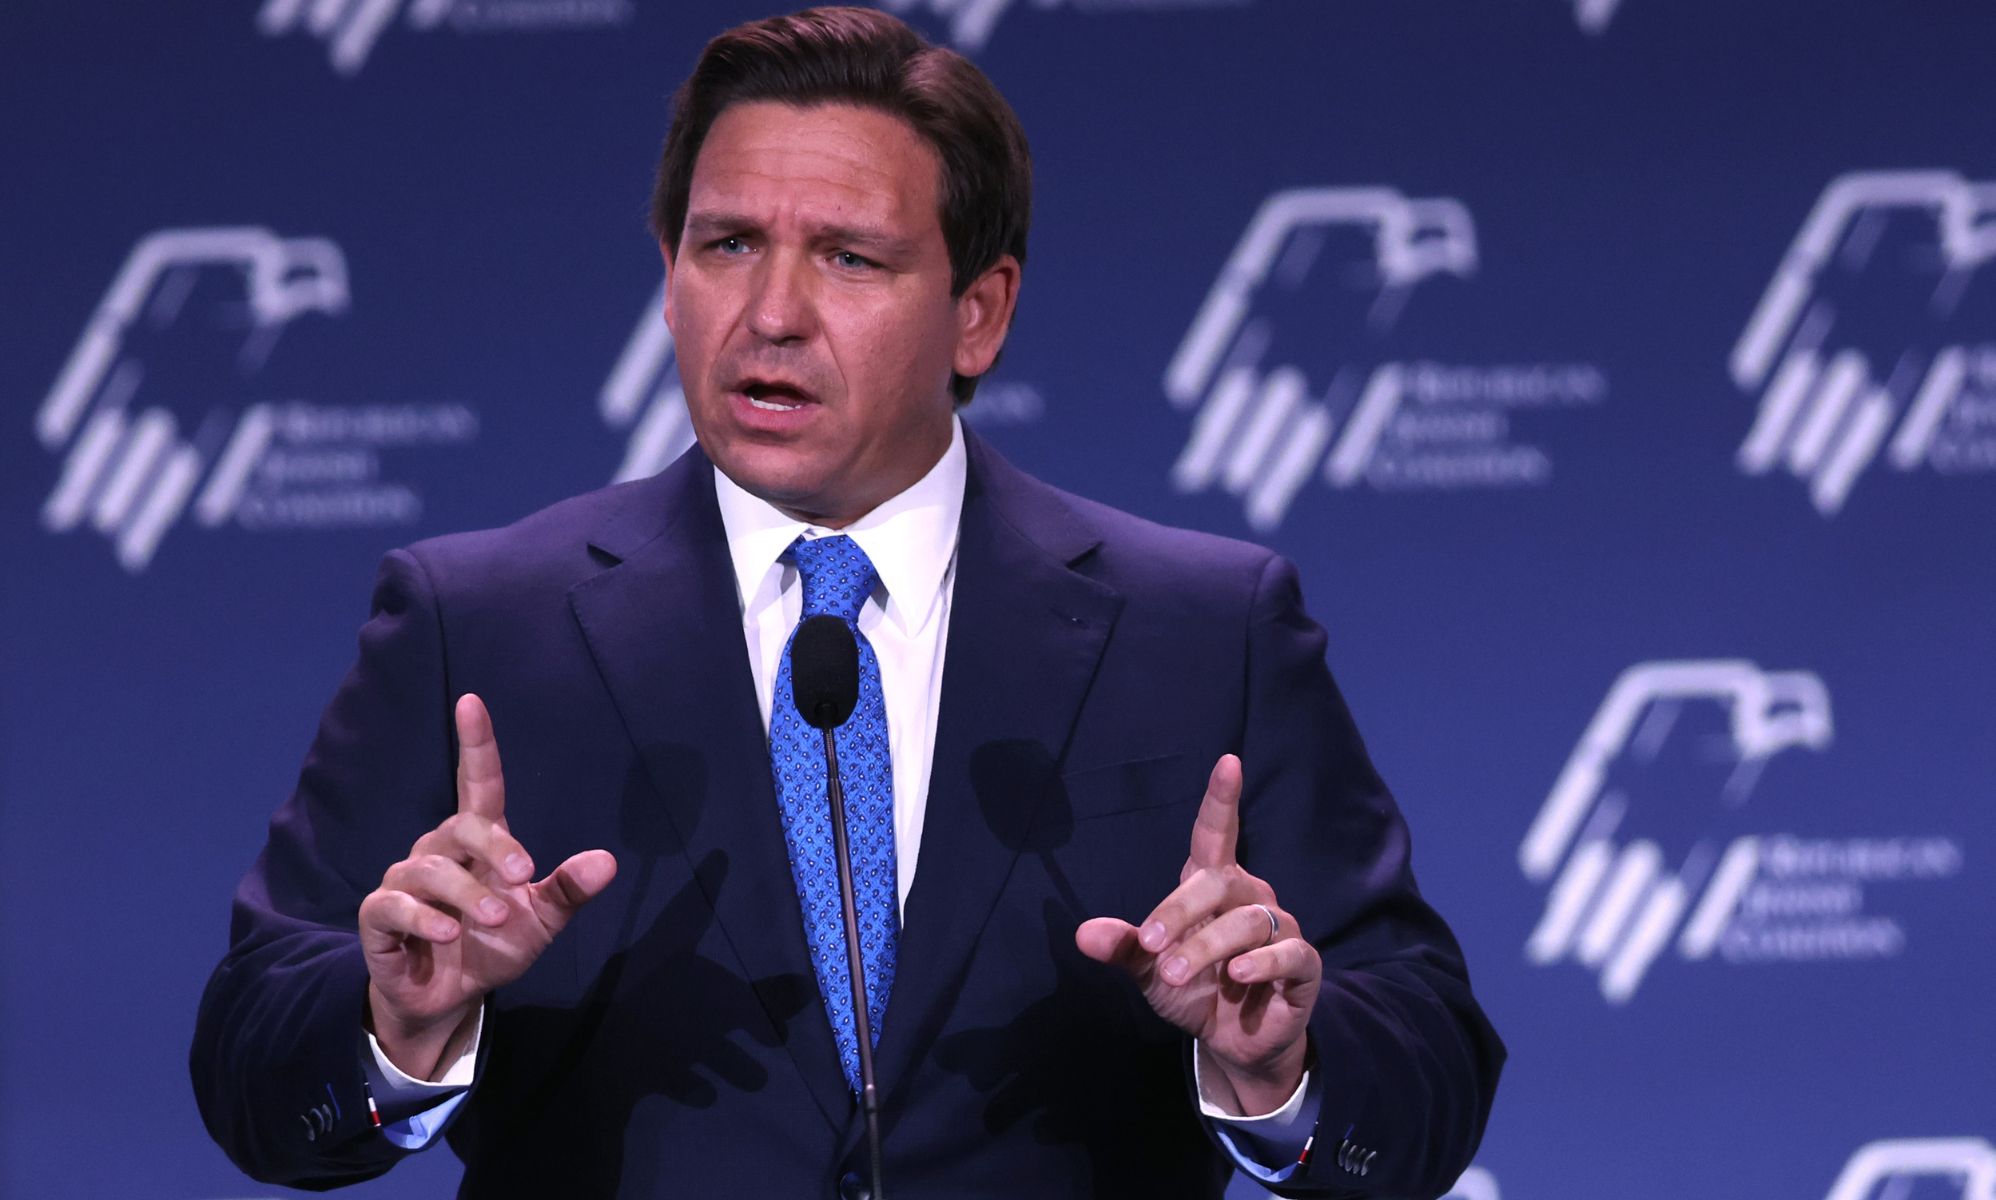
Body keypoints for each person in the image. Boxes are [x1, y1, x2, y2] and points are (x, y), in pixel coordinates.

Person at [190, 8, 1502, 1197]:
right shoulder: (477, 623)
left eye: (849, 259)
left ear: (978, 315)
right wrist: (395, 1025)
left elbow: (1426, 1051)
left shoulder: (1204, 629)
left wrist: (1281, 1064)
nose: (769, 313)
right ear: (668, 273)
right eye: (728, 245)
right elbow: (255, 1048)